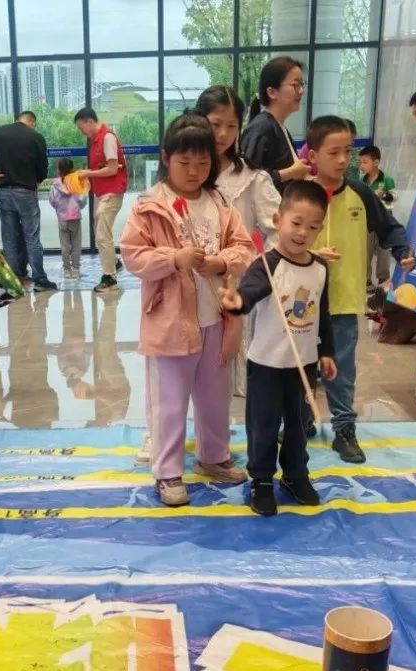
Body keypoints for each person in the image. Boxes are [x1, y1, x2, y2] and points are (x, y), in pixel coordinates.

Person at [120, 112, 256, 507]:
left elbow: (244, 247)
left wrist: (221, 262)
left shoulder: (220, 203)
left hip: (217, 320)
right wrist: (173, 258)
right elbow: (132, 256)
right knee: (170, 402)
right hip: (171, 323)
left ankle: (213, 456)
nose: (194, 171)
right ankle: (167, 472)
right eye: (184, 162)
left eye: (202, 162)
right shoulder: (150, 206)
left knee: (215, 398)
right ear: (166, 158)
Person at [219, 180, 338, 516]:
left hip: (304, 365)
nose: (302, 233)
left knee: (299, 426)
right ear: (277, 220)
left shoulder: (320, 268)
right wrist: (237, 302)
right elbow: (249, 292)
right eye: (296, 223)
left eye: (312, 227)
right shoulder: (266, 265)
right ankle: (261, 480)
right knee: (264, 426)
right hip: (267, 365)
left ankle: (295, 475)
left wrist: (326, 352)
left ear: (320, 230)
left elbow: (322, 313)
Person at [306, 115, 415, 462]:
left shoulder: (361, 194)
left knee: (341, 368)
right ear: (313, 155)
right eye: (333, 152)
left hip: (342, 300)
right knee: (300, 366)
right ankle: (301, 420)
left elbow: (389, 227)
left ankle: (344, 429)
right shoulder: (299, 194)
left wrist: (403, 251)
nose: (343, 160)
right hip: (301, 302)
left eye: (348, 152)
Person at [195, 85, 281, 400]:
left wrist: (260, 272)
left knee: (234, 372)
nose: (223, 134)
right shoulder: (188, 174)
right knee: (194, 374)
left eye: (232, 125)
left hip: (238, 286)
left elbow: (278, 230)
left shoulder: (252, 177)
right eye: (215, 124)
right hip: (194, 285)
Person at [0, 111, 56, 291]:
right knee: (31, 236)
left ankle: (15, 277)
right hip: (26, 192)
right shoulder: (36, 137)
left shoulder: (0, 132)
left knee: (9, 237)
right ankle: (40, 279)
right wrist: (35, 180)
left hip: (4, 191)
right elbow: (42, 170)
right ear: (32, 122)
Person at [75, 107, 128, 292]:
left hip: (112, 192)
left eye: (81, 127)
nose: (82, 131)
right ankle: (114, 262)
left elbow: (112, 169)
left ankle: (110, 278)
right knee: (99, 230)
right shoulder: (96, 140)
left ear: (90, 121)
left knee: (102, 235)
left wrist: (88, 173)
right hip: (102, 192)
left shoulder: (107, 138)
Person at [240, 56, 311, 192]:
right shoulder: (262, 128)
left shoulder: (278, 127)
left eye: (302, 84)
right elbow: (246, 179)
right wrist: (290, 172)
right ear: (272, 92)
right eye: (295, 85)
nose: (301, 90)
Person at [358, 145, 396, 289]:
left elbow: (394, 197)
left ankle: (383, 279)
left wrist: (383, 195)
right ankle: (366, 280)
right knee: (365, 250)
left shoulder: (387, 179)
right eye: (360, 162)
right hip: (367, 221)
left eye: (365, 162)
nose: (361, 166)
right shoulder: (362, 181)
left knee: (383, 250)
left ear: (376, 162)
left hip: (384, 220)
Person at [48, 158, 88, 280]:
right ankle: (76, 270)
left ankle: (66, 270)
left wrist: (59, 210)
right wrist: (77, 208)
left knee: (64, 246)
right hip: (75, 218)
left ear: (59, 170)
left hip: (62, 219)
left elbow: (52, 200)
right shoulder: (76, 183)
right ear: (72, 169)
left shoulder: (55, 185)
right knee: (76, 245)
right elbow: (82, 200)